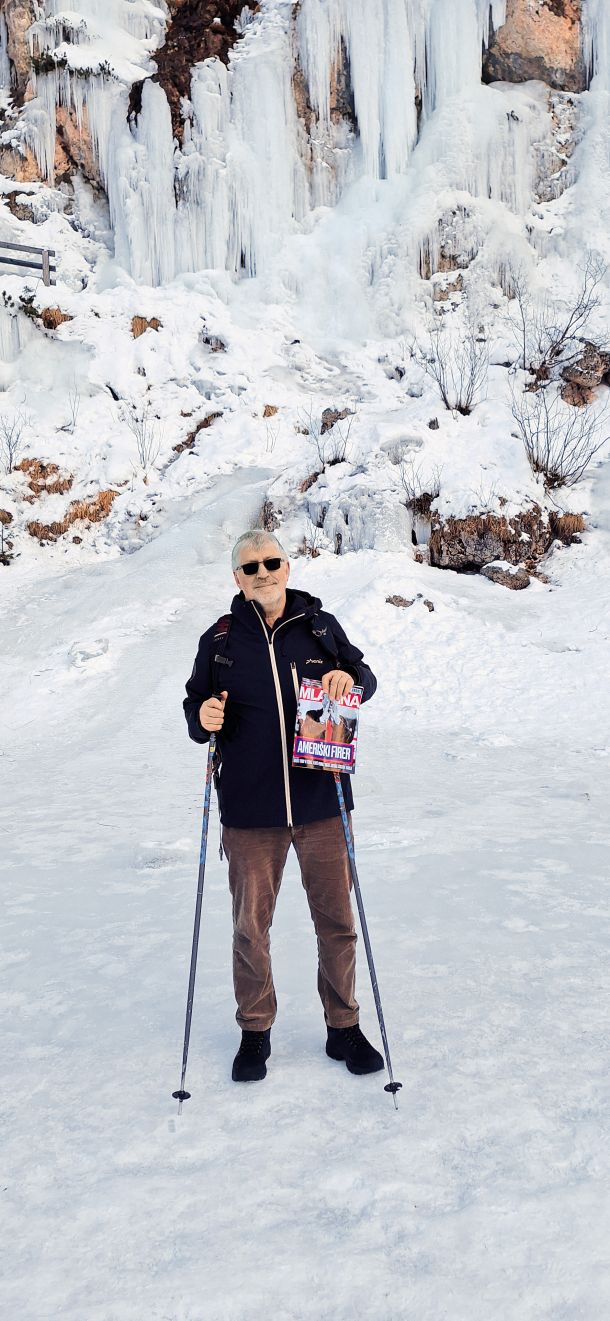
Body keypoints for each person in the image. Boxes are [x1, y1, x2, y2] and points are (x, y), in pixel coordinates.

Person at [183, 530, 383, 1083]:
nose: (263, 573)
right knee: (250, 928)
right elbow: (195, 704)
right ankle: (255, 1032)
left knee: (337, 923)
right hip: (250, 812)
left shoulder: (320, 627)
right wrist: (203, 718)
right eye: (250, 567)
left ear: (287, 567)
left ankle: (343, 1027)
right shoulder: (220, 640)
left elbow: (364, 678)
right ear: (237, 579)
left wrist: (350, 679)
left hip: (322, 801)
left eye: (271, 562)